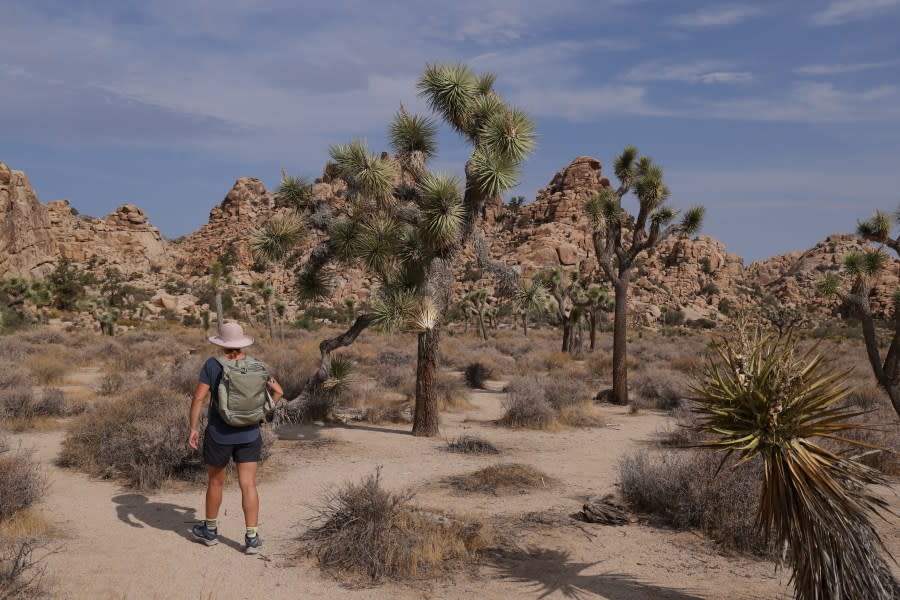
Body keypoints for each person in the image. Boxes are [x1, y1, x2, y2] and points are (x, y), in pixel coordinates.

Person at [188, 321, 283, 554]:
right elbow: (279, 392)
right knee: (248, 484)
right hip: (250, 433)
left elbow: (198, 399)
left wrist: (193, 428)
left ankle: (210, 532)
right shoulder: (257, 365)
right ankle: (252, 538)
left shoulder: (213, 365)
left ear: (221, 343)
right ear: (242, 343)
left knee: (216, 482)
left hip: (219, 434)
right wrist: (260, 416)